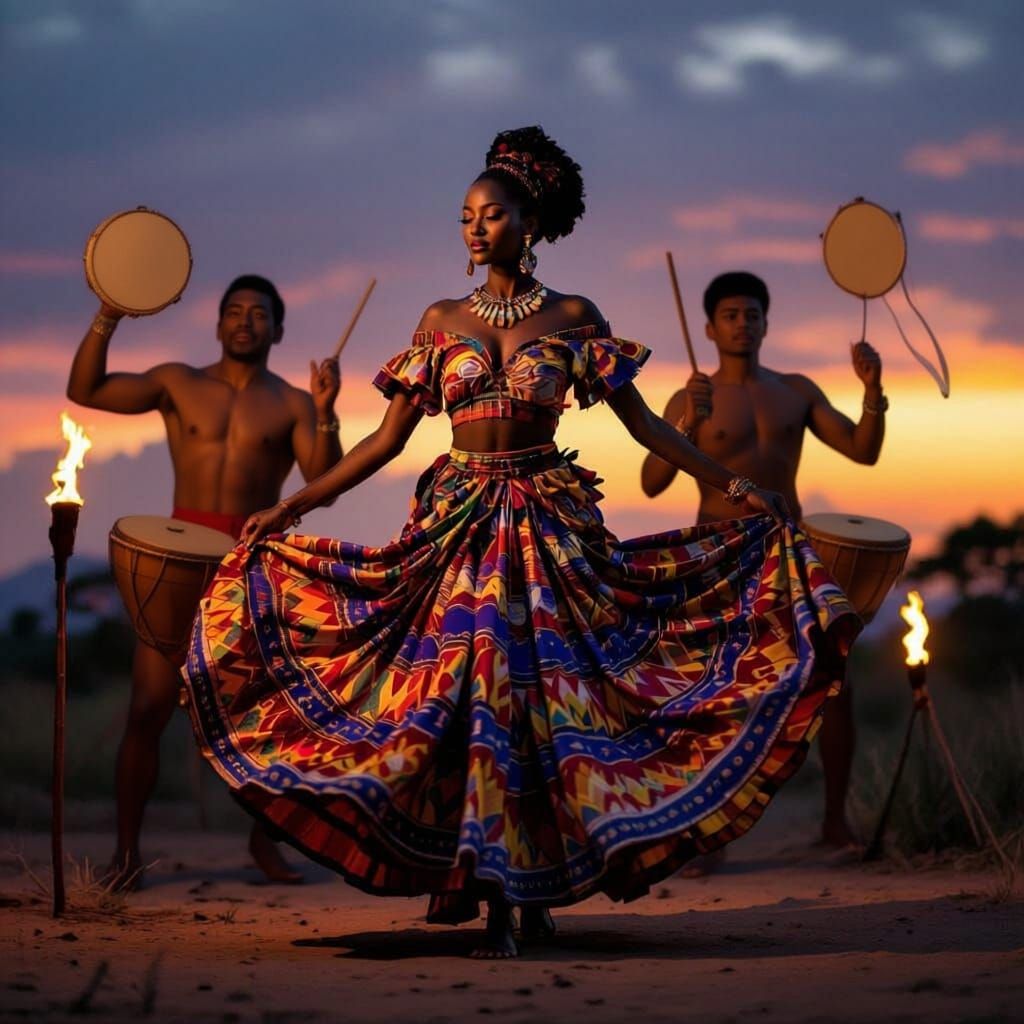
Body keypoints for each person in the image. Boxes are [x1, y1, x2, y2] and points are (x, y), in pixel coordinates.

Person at [183, 128, 858, 959]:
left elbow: (643, 423)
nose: (473, 228)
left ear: (527, 222)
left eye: (491, 214)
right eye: (465, 216)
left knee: (541, 708)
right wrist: (293, 507)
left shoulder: (575, 318)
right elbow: (385, 442)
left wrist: (742, 486)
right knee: (470, 703)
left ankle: (532, 890)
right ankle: (489, 884)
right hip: (458, 523)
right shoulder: (440, 319)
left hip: (548, 526)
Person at [67, 274, 343, 888]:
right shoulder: (177, 382)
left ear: (278, 328)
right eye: (235, 312)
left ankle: (263, 843)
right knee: (148, 707)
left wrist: (325, 411)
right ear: (218, 325)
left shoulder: (294, 402)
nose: (246, 321)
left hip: (249, 565)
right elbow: (84, 389)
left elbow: (321, 478)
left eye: (260, 313)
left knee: (280, 718)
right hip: (178, 559)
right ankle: (126, 854)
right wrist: (108, 315)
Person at [641, 271, 885, 851]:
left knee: (833, 679)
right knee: (706, 692)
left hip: (787, 550)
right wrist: (685, 422)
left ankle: (834, 822)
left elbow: (863, 450)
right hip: (716, 558)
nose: (742, 324)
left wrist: (873, 390)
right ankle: (702, 836)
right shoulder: (689, 397)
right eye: (730, 315)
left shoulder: (795, 390)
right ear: (709, 327)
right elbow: (652, 483)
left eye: (752, 314)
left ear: (766, 323)